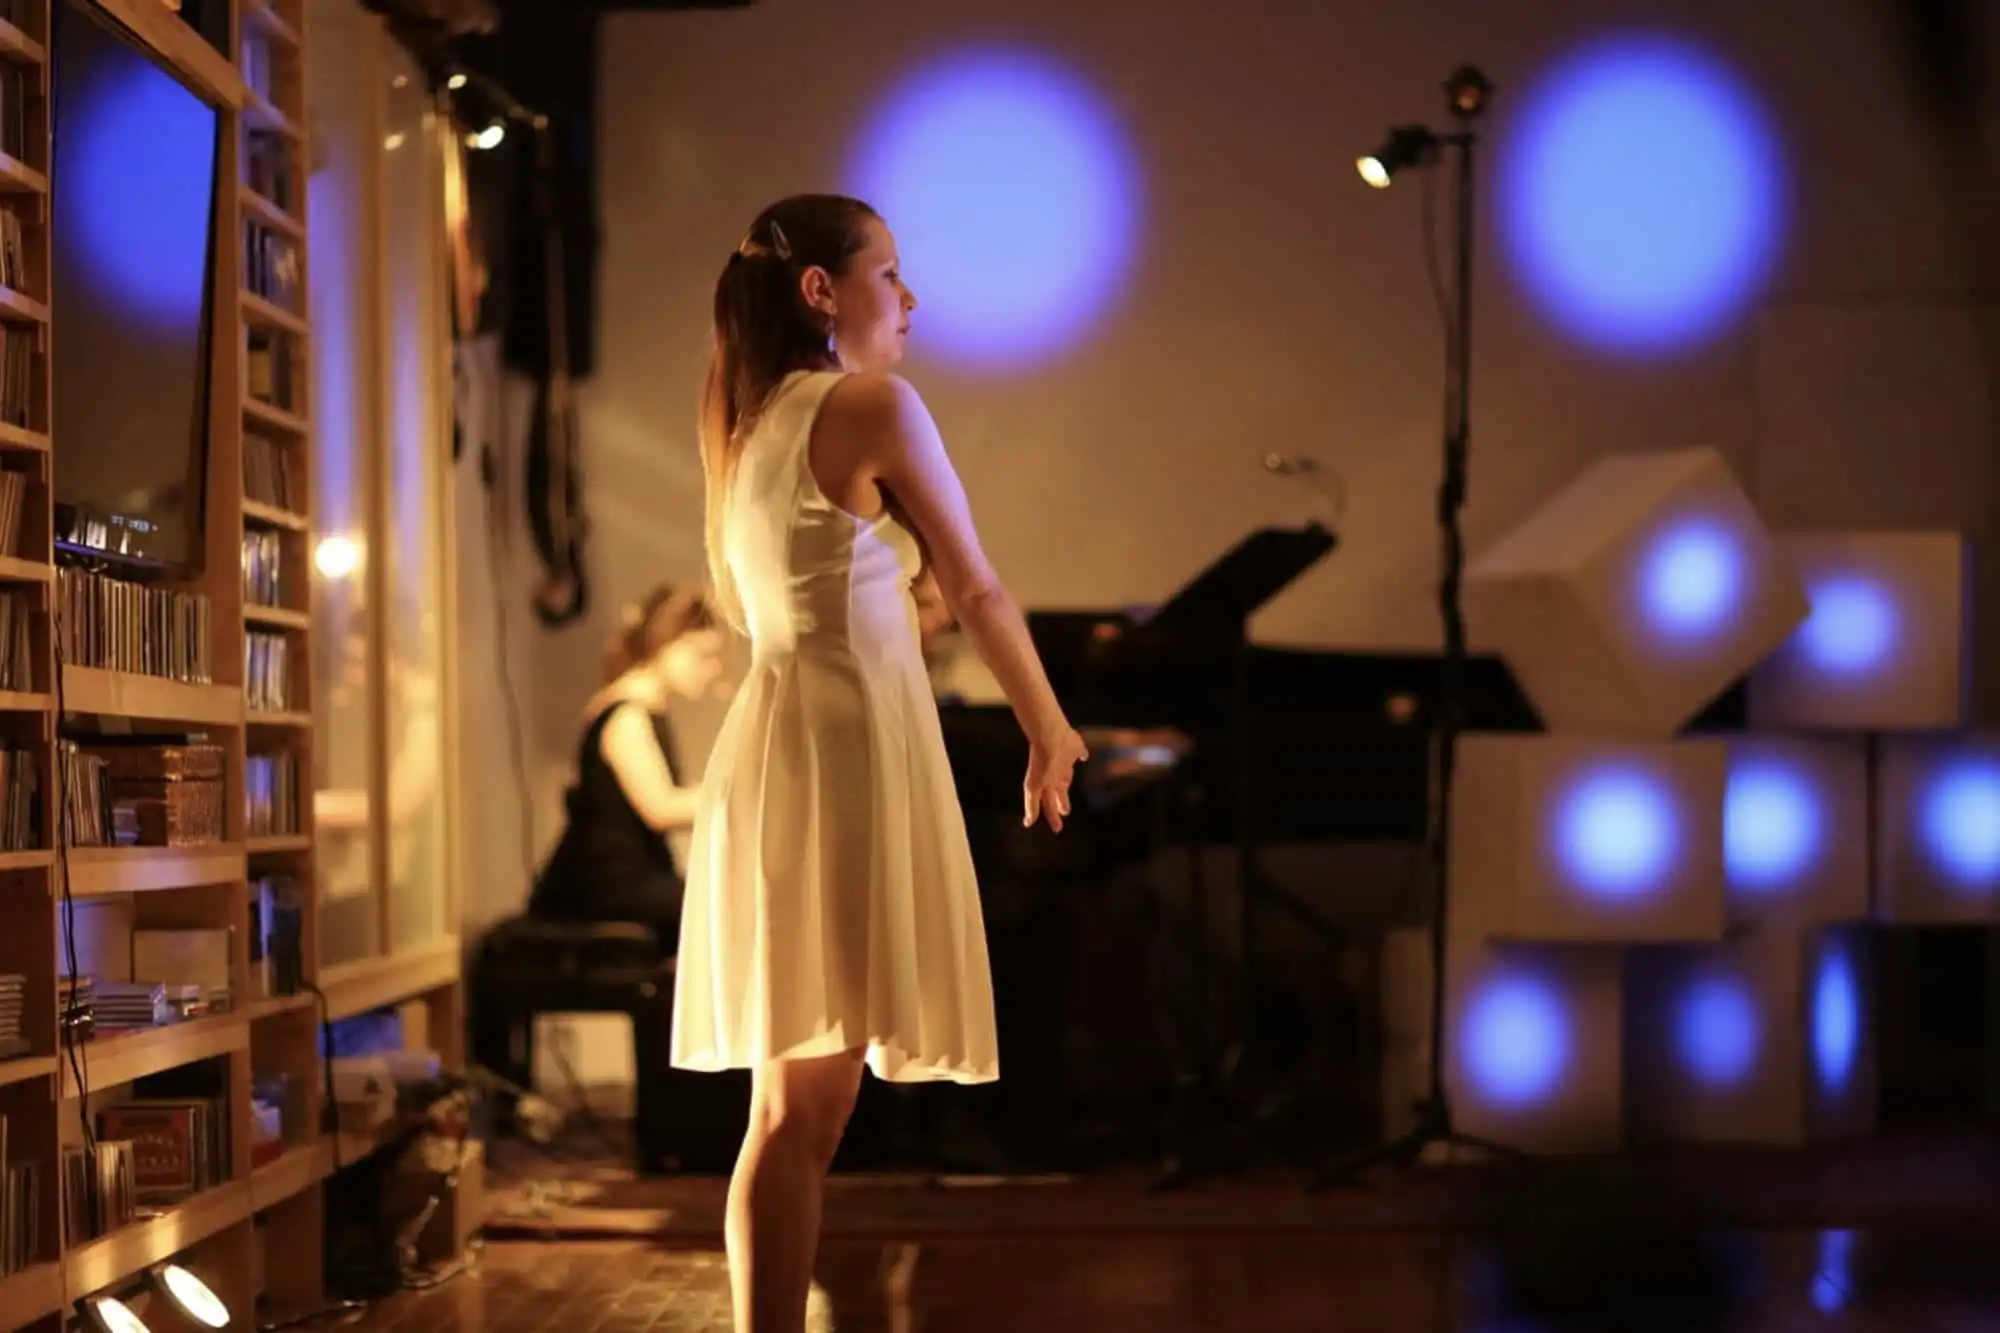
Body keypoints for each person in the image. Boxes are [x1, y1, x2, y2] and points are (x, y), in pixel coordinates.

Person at [671, 193, 1090, 1332]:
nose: (910, 299)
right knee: (800, 1116)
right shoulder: (870, 405)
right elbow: (976, 583)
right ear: (821, 290)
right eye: (889, 273)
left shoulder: (752, 425)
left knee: (790, 1114)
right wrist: (1048, 724)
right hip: (840, 759)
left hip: (785, 752)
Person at [526, 585, 726, 939]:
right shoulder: (626, 715)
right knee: (724, 904)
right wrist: (736, 796)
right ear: (664, 644)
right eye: (702, 655)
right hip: (604, 888)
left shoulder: (643, 710)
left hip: (628, 881)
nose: (713, 669)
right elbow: (661, 808)